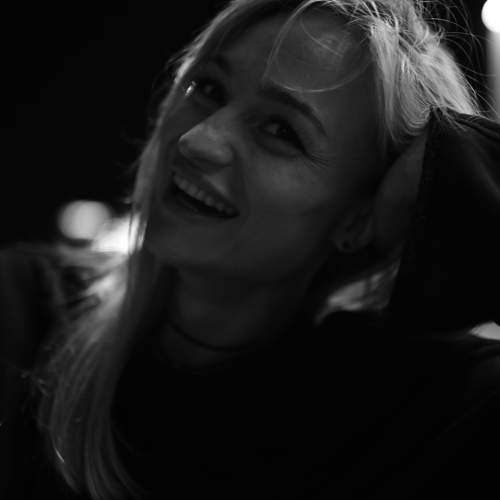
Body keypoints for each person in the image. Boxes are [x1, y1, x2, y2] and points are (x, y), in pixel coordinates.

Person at [1, 0, 500, 499]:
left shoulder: (398, 413)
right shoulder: (23, 312)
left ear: (357, 218)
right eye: (208, 88)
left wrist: (462, 163)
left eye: (280, 130)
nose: (197, 141)